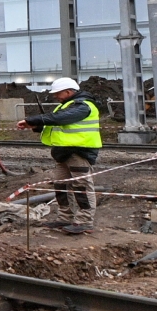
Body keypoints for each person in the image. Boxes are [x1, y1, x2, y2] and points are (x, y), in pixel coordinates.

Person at [16, 77, 102, 234]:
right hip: (63, 152)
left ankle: (84, 221)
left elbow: (60, 119)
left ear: (68, 92)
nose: (55, 96)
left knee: (81, 187)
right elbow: (56, 124)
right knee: (61, 185)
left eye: (58, 93)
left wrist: (33, 119)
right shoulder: (67, 105)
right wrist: (36, 125)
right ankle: (65, 218)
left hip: (79, 152)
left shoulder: (83, 106)